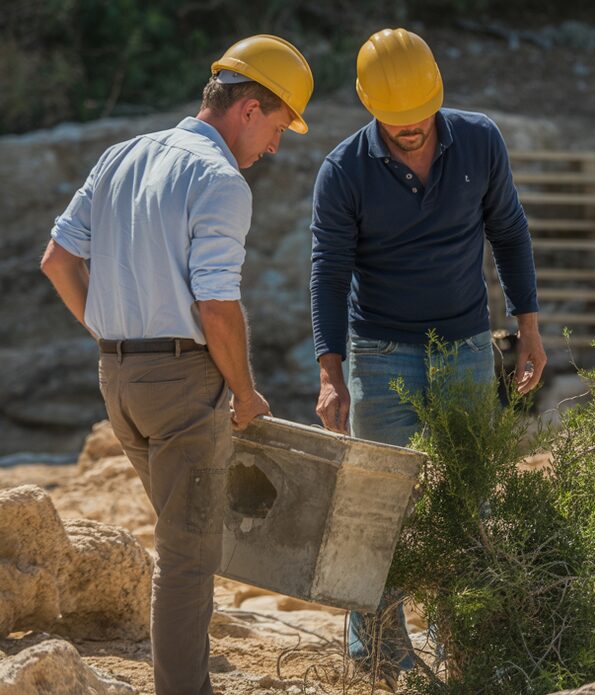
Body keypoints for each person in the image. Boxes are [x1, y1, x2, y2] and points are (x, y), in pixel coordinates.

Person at [39, 35, 313, 695]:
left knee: (179, 539)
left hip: (118, 381)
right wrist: (246, 392)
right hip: (184, 385)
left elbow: (57, 259)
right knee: (188, 560)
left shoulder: (121, 155)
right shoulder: (219, 179)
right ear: (250, 108)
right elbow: (218, 307)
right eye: (278, 126)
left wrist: (110, 329)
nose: (275, 145)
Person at [309, 27, 546, 678]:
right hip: (380, 352)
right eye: (396, 120)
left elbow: (510, 232)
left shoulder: (479, 140)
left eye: (420, 117)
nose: (411, 130)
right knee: (374, 503)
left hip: (467, 345)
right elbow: (328, 273)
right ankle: (378, 651)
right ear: (367, 103)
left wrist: (529, 328)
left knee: (471, 495)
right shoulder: (343, 172)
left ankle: (467, 641)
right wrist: (331, 373)